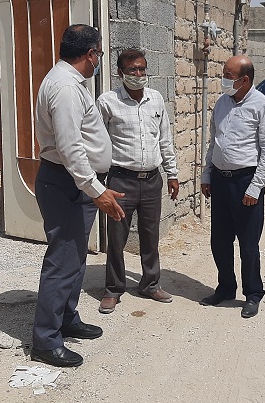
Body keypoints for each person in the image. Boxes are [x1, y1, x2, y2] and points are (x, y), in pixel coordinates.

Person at [31, 24, 126, 368]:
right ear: (90, 54)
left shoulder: (70, 82)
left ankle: (66, 318)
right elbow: (70, 147)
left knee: (75, 257)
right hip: (67, 183)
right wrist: (96, 189)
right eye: (98, 54)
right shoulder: (66, 88)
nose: (98, 60)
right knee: (63, 260)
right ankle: (46, 339)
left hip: (75, 183)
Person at [95, 48, 179, 313]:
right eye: (132, 70)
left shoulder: (156, 99)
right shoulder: (107, 102)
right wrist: (98, 182)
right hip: (121, 181)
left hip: (152, 180)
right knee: (117, 237)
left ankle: (150, 284)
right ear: (120, 72)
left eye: (142, 69)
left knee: (150, 236)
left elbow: (165, 139)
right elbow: (97, 142)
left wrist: (172, 173)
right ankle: (113, 289)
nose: (139, 74)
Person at [200, 55, 265, 318]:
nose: (223, 79)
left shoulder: (263, 106)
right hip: (221, 181)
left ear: (244, 80)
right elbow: (214, 142)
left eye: (228, 76)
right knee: (219, 241)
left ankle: (253, 294)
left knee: (248, 244)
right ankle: (225, 288)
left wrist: (255, 188)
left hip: (246, 182)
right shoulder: (222, 103)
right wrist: (207, 175)